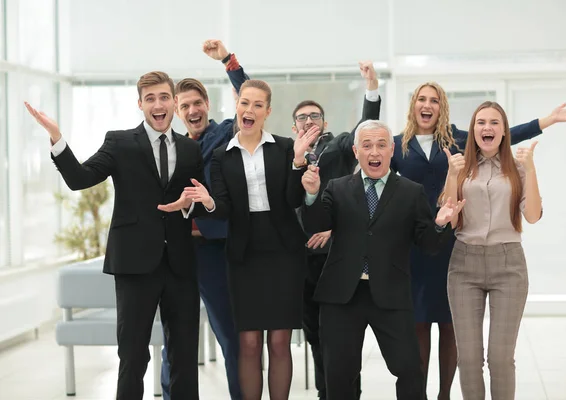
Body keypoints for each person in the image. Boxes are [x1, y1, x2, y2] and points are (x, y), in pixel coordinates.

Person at [390, 82, 566, 399]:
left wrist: (545, 122)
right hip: (424, 246)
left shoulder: (457, 142)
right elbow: (381, 174)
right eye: (421, 99)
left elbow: (507, 135)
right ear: (413, 105)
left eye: (434, 100)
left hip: (462, 246)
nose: (427, 105)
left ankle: (444, 394)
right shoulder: (400, 145)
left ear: (443, 107)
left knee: (482, 348)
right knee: (425, 328)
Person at [25, 71, 206, 400]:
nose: (158, 104)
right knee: (133, 356)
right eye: (149, 98)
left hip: (180, 266)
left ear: (174, 103)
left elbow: (196, 202)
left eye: (164, 97)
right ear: (140, 104)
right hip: (134, 266)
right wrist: (56, 137)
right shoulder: (120, 143)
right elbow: (80, 178)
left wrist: (186, 207)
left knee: (184, 359)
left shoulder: (191, 150)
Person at [166, 79, 319, 400]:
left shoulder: (284, 148)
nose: (250, 110)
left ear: (267, 111)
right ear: (237, 108)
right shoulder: (223, 155)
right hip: (242, 255)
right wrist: (207, 201)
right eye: (245, 103)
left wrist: (298, 163)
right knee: (248, 343)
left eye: (258, 105)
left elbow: (292, 199)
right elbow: (224, 207)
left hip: (284, 254)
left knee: (279, 342)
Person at [300, 119, 465, 400]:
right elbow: (315, 224)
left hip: (391, 293)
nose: (374, 152)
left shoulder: (411, 192)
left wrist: (440, 223)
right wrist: (312, 193)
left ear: (391, 150)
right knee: (338, 375)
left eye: (380, 145)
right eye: (366, 145)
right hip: (341, 296)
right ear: (356, 151)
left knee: (410, 371)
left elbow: (429, 244)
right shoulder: (336, 188)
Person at [160, 39, 247, 400]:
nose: (192, 110)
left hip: (215, 250)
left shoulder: (225, 133)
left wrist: (228, 60)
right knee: (175, 340)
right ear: (178, 112)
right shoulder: (172, 146)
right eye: (185, 106)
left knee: (230, 335)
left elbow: (249, 97)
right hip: (179, 251)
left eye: (197, 103)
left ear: (207, 105)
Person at [441, 101, 543, 400]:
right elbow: (451, 221)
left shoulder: (516, 169)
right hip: (464, 265)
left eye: (494, 122)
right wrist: (451, 175)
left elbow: (534, 215)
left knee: (500, 359)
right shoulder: (461, 167)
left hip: (508, 265)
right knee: (469, 359)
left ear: (504, 131)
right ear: (473, 130)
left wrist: (531, 169)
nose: (487, 127)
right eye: (481, 122)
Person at [295, 60, 381, 400]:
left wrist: (371, 87)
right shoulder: (289, 155)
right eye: (302, 117)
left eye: (315, 116)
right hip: (302, 263)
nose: (309, 121)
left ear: (324, 123)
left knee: (343, 339)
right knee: (315, 335)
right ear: (294, 125)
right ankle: (324, 394)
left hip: (337, 259)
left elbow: (366, 126)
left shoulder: (341, 146)